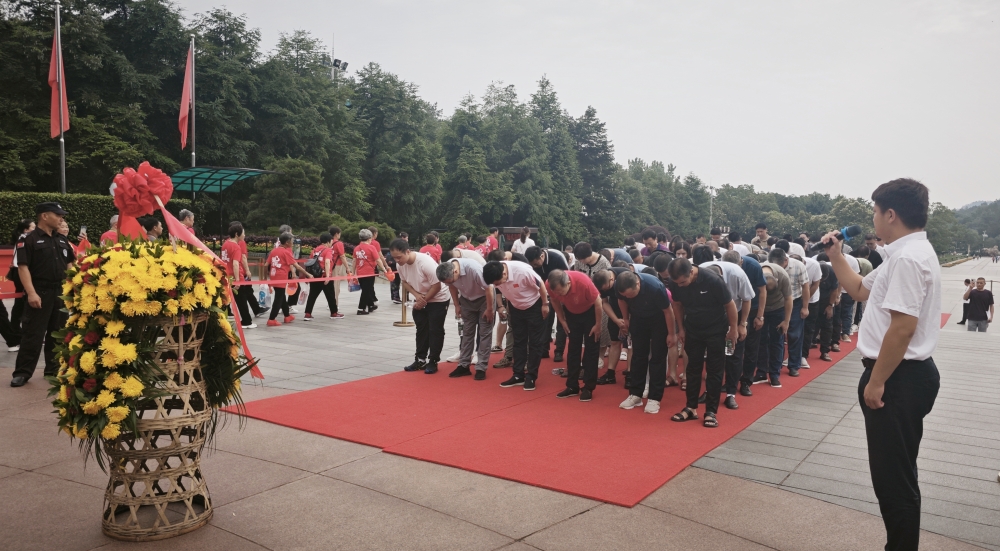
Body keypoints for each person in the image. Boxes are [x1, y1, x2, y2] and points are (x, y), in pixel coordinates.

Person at [821, 178, 940, 551]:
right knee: (898, 472)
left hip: (897, 378)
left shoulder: (907, 259)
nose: (873, 218)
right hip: (901, 376)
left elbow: (902, 328)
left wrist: (876, 381)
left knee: (893, 481)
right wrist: (836, 255)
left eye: (874, 211)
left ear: (890, 214)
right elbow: (859, 290)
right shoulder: (903, 255)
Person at [667, 258, 737, 428]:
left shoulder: (712, 280)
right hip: (693, 329)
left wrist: (734, 329)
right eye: (677, 283)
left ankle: (711, 411)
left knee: (714, 370)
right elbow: (677, 304)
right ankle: (691, 407)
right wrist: (681, 329)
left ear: (691, 272)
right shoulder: (675, 282)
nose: (680, 286)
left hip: (716, 329)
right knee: (692, 369)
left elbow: (730, 305)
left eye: (683, 282)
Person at [11, 203, 75, 387]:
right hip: (40, 291)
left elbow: (70, 266)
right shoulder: (28, 239)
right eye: (58, 215)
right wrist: (31, 293)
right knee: (33, 334)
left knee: (58, 333)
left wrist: (73, 289)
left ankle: (53, 370)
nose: (61, 219)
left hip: (60, 292)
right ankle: (23, 372)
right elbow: (23, 268)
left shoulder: (62, 240)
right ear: (45, 216)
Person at [700, 251, 755, 409]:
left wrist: (742, 325)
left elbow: (747, 299)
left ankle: (731, 394)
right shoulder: (699, 272)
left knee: (733, 355)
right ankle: (710, 391)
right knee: (712, 356)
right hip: (712, 317)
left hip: (735, 316)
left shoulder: (737, 274)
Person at [482, 259, 549, 390]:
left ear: (504, 274)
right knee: (518, 341)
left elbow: (540, 284)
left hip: (534, 305)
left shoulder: (522, 272)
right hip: (516, 307)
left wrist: (545, 304)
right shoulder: (493, 272)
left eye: (498, 283)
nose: (497, 285)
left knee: (535, 342)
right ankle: (518, 375)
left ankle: (531, 376)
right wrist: (503, 306)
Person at [615, 270, 675, 414]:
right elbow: (621, 300)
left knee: (657, 358)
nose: (629, 297)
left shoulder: (655, 287)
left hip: (658, 320)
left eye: (631, 294)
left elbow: (668, 311)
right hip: (638, 319)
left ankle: (655, 398)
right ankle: (635, 394)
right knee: (638, 356)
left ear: (638, 283)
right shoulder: (619, 285)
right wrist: (626, 318)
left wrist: (672, 334)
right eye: (626, 295)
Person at [393, 239, 451, 374]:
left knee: (435, 329)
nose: (397, 260)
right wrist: (417, 295)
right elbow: (404, 282)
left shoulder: (425, 262)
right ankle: (420, 359)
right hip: (420, 297)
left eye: (399, 257)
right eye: (394, 257)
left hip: (438, 298)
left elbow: (437, 285)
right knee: (421, 329)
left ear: (408, 251)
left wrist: (423, 300)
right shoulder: (400, 265)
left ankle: (433, 360)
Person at [547, 269, 603, 401]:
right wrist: (562, 320)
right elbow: (554, 301)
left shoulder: (583, 282)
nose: (559, 294)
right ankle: (572, 386)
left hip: (590, 312)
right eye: (556, 292)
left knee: (591, 349)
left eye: (561, 291)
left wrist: (598, 325)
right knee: (573, 349)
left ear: (568, 283)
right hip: (571, 313)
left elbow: (598, 302)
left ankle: (588, 387)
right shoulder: (550, 284)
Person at [436, 256, 495, 380]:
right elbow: (452, 287)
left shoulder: (474, 269)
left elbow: (489, 288)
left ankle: (481, 367)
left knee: (484, 333)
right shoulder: (446, 269)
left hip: (484, 299)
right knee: (467, 332)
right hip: (466, 300)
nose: (450, 283)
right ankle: (463, 365)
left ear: (455, 271)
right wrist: (457, 305)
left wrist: (490, 309)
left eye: (451, 280)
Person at [754, 253, 792, 388]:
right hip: (760, 308)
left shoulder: (783, 276)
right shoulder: (755, 273)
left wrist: (786, 321)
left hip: (778, 308)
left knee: (777, 341)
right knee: (760, 339)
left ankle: (775, 374)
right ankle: (761, 372)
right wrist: (758, 316)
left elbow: (788, 299)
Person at [591, 267, 634, 386]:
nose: (605, 291)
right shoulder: (601, 281)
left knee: (631, 344)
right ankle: (610, 374)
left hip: (632, 311)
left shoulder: (624, 276)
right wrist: (617, 321)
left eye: (607, 288)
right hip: (615, 311)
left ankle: (630, 374)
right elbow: (604, 302)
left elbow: (634, 299)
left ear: (611, 279)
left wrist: (626, 320)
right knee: (614, 342)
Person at [525, 246, 569, 361]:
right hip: (543, 294)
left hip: (560, 293)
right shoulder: (531, 264)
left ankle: (559, 351)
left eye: (536, 264)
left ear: (542, 256)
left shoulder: (557, 258)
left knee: (561, 321)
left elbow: (567, 276)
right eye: (532, 265)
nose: (534, 267)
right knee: (545, 321)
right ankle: (544, 349)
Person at [265, 232, 313, 327]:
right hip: (281, 277)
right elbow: (297, 266)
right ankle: (271, 319)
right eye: (292, 241)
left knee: (281, 296)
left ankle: (287, 316)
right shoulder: (286, 252)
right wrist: (308, 274)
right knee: (278, 299)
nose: (293, 242)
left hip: (273, 276)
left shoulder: (274, 251)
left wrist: (265, 277)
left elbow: (266, 265)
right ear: (287, 242)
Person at [221, 223, 256, 329]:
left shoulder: (225, 244)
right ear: (237, 234)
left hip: (226, 276)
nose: (244, 235)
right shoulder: (236, 247)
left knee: (225, 300)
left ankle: (221, 319)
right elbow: (235, 264)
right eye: (243, 233)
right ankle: (246, 321)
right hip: (235, 277)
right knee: (241, 301)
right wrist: (237, 280)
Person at [304, 233, 341, 321]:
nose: (332, 242)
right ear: (328, 241)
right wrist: (328, 276)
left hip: (315, 276)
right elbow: (327, 262)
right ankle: (334, 313)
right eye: (331, 241)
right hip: (324, 276)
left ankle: (308, 314)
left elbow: (309, 263)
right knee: (330, 295)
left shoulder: (315, 250)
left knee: (312, 295)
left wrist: (307, 276)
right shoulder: (328, 250)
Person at [353, 229, 384, 314]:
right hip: (369, 273)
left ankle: (371, 305)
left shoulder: (356, 248)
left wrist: (353, 273)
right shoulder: (371, 248)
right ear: (369, 238)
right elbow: (378, 260)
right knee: (366, 291)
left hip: (360, 273)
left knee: (367, 289)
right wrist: (384, 269)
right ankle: (361, 309)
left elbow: (354, 261)